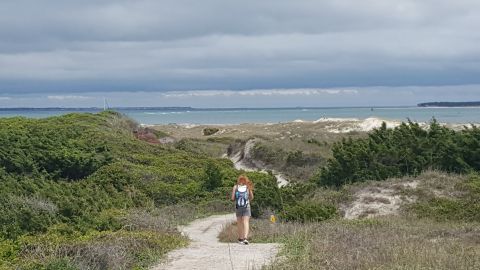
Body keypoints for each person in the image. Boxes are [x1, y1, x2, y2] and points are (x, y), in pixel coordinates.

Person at [230, 175, 254, 245]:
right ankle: (245, 238)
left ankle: (240, 238)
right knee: (246, 222)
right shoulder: (248, 187)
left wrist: (236, 199)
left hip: (238, 207)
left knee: (239, 222)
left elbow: (232, 198)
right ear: (246, 180)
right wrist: (247, 201)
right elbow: (252, 197)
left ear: (238, 180)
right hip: (247, 206)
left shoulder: (235, 187)